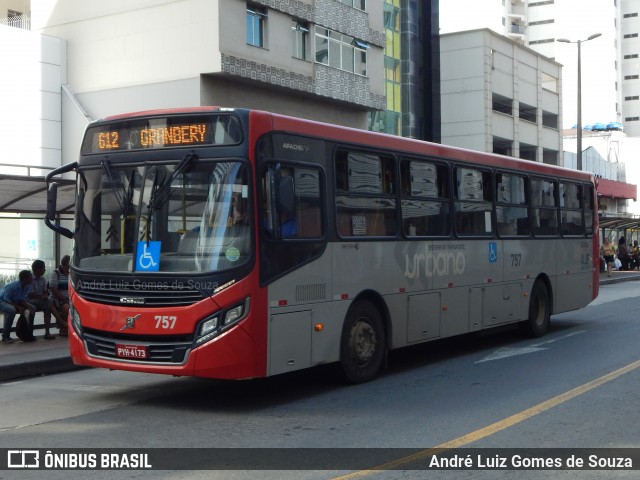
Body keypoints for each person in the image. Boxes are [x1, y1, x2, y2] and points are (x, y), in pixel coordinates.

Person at [0, 270, 35, 344]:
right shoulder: (12, 286)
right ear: (24, 279)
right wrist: (18, 307)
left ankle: (28, 334)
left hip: (14, 301)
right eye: (30, 277)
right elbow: (7, 299)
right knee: (11, 310)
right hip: (2, 301)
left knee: (32, 308)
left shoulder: (26, 286)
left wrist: (27, 307)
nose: (32, 278)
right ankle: (5, 336)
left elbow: (22, 299)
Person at [28, 260, 56, 340]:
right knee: (48, 304)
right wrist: (43, 297)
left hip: (40, 301)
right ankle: (59, 322)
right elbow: (31, 295)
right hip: (29, 301)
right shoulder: (30, 278)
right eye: (44, 268)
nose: (45, 270)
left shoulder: (43, 279)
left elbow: (45, 292)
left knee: (48, 305)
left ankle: (47, 332)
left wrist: (45, 296)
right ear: (37, 269)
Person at [49, 255, 70, 336]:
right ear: (66, 264)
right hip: (57, 299)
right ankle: (63, 327)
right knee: (66, 307)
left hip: (67, 299)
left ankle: (67, 327)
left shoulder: (69, 274)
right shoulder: (55, 273)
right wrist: (64, 299)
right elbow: (54, 290)